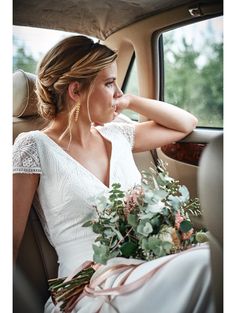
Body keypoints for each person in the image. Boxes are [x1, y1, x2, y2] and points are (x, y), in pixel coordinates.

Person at [13, 35, 214, 313]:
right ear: (75, 91)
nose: (117, 93)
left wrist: (130, 101)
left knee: (216, 257)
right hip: (86, 289)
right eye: (109, 84)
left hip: (143, 271)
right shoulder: (33, 146)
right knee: (208, 264)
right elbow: (9, 241)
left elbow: (185, 123)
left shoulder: (119, 134)